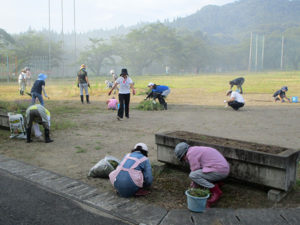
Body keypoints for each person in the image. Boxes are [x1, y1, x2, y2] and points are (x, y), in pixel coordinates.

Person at [174, 142, 230, 207]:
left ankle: (216, 191)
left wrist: (193, 188)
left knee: (192, 175)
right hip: (224, 169)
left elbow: (195, 172)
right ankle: (217, 182)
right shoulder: (195, 149)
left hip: (219, 171)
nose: (184, 160)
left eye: (182, 158)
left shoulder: (190, 154)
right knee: (199, 173)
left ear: (183, 154)